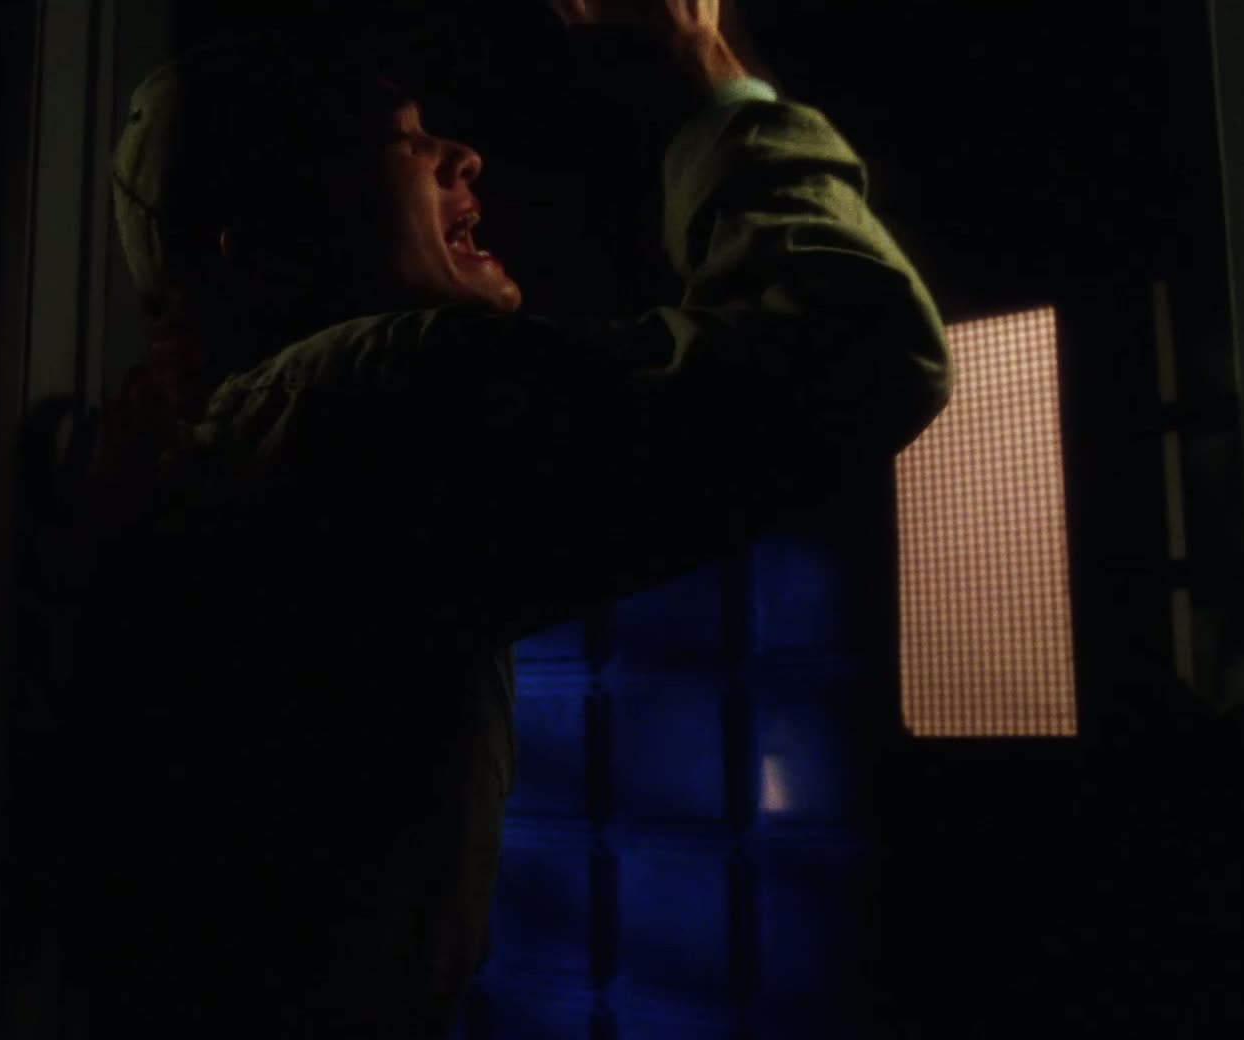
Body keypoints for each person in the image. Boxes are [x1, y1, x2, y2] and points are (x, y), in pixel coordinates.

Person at [61, 1, 951, 1035]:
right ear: (262, 243)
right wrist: (701, 67)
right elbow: (856, 345)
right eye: (399, 140)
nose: (463, 156)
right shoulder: (365, 411)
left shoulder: (230, 451)